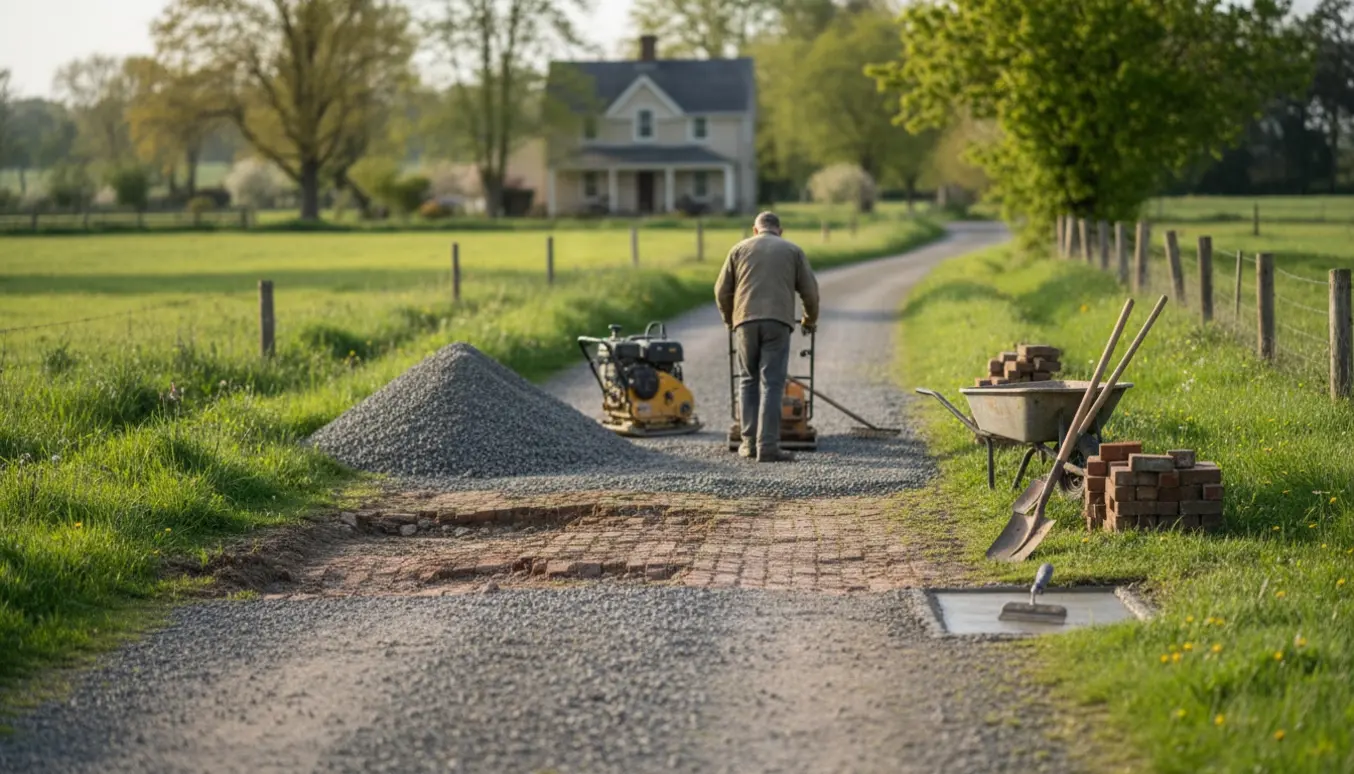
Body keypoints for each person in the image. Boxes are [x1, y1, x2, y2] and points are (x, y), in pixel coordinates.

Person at [715, 211, 820, 462]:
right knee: (772, 384)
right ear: (779, 231)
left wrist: (730, 320)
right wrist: (809, 320)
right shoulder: (793, 251)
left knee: (747, 380)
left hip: (745, 322)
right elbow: (810, 293)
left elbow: (721, 291)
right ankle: (769, 446)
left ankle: (748, 444)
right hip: (778, 322)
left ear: (755, 230)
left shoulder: (738, 250)